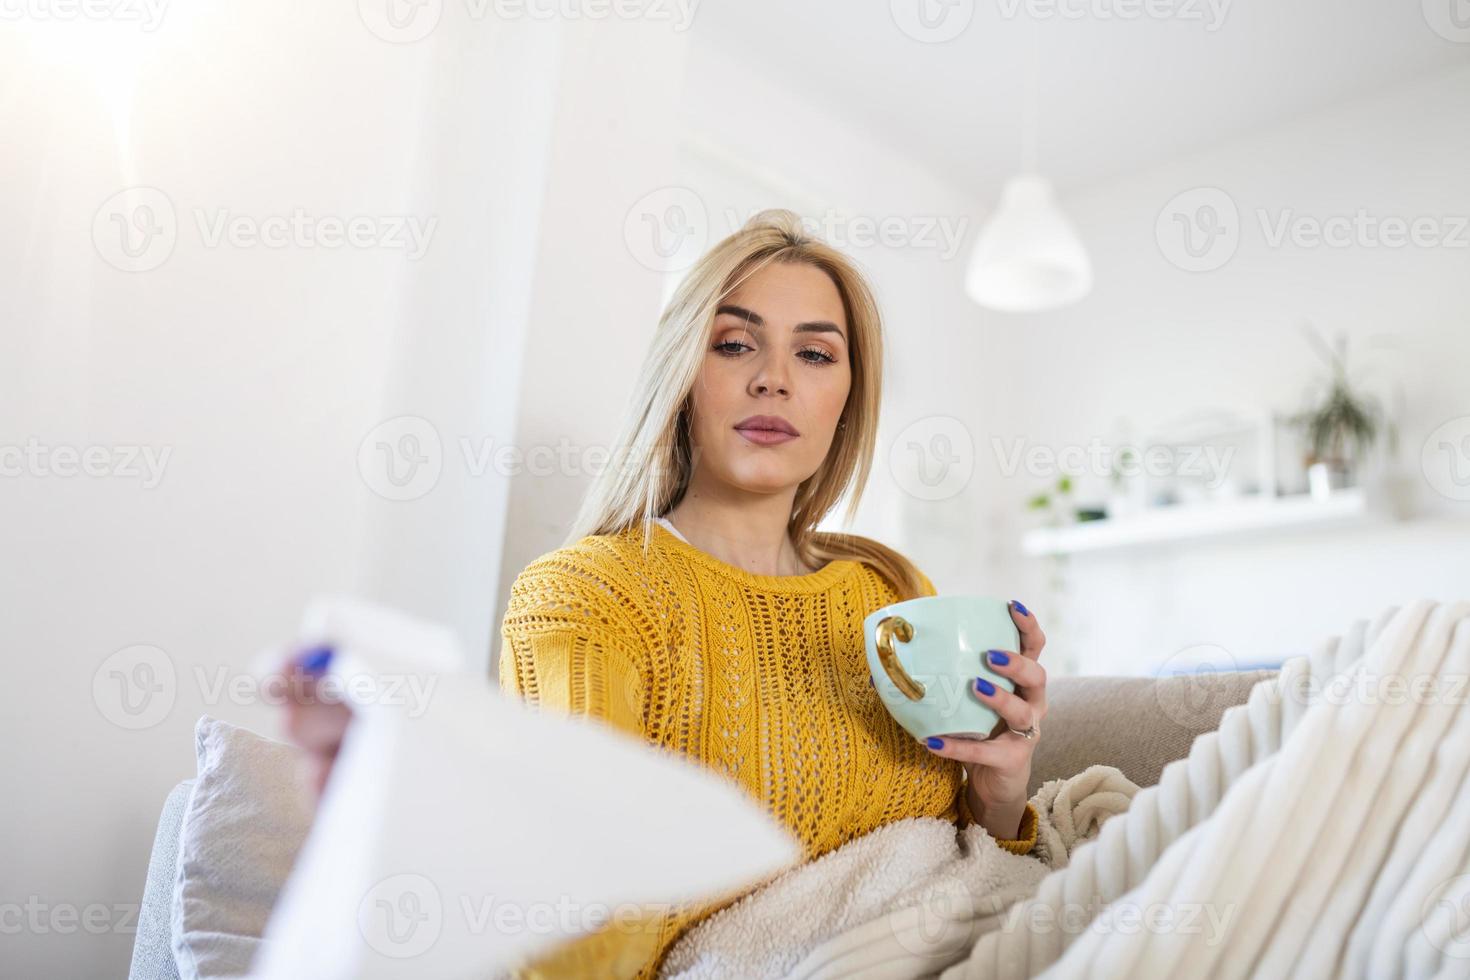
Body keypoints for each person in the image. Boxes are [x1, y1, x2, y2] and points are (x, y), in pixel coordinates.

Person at [280, 209, 1050, 979]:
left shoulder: (894, 589)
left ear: (849, 396)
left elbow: (974, 861)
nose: (773, 378)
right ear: (683, 375)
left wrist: (1000, 789)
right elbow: (576, 921)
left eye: (815, 353)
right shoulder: (587, 595)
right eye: (735, 343)